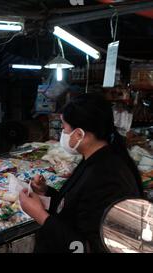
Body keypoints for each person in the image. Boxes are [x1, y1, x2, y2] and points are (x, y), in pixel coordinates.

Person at [19, 93, 143, 253]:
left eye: (64, 128)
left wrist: (41, 216)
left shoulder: (108, 177)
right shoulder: (94, 159)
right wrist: (46, 192)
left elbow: (86, 247)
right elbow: (78, 205)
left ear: (79, 134)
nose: (61, 134)